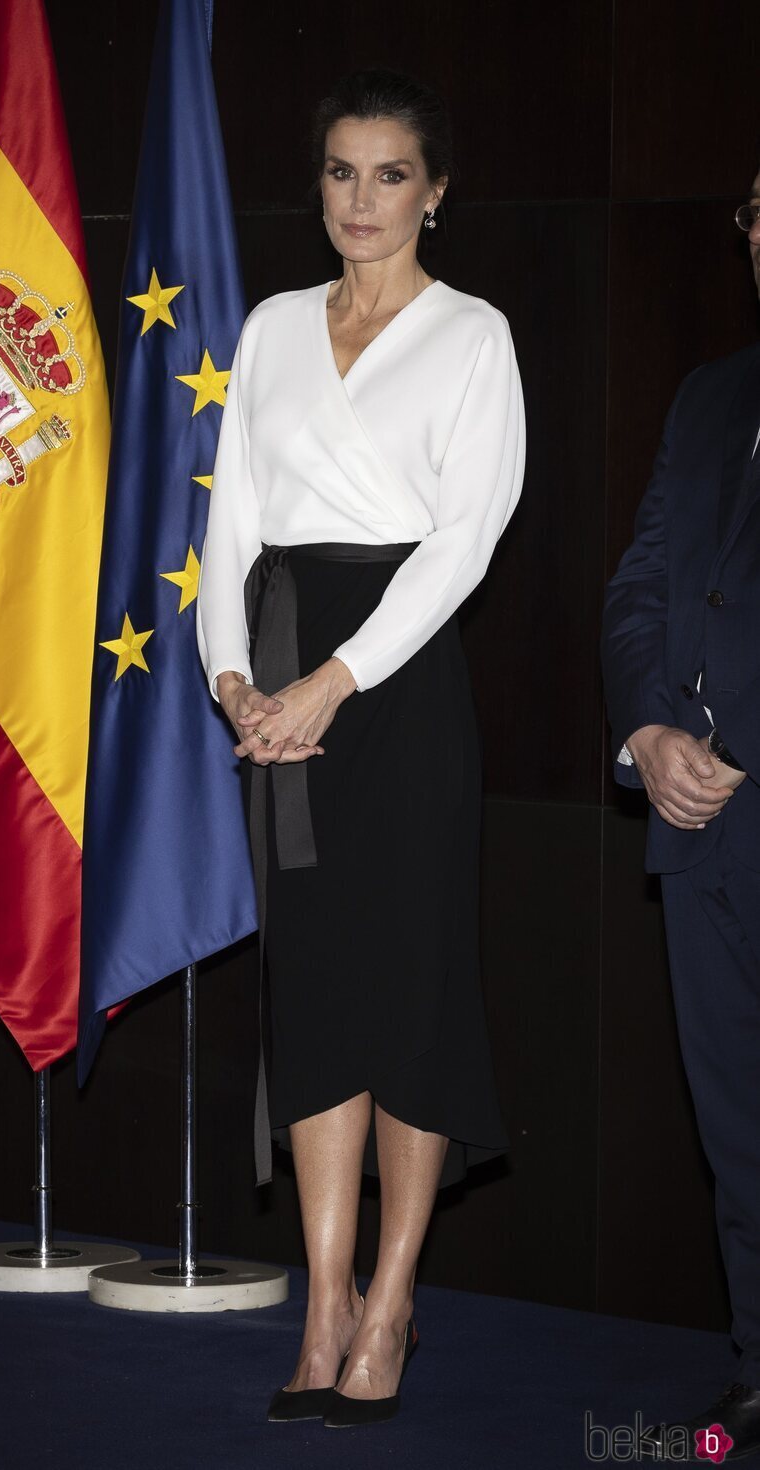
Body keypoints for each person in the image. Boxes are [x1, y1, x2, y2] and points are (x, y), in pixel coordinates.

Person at [196, 69, 524, 1428]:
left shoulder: (473, 335)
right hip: (278, 671)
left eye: (392, 175)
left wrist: (333, 680)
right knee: (317, 986)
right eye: (342, 172)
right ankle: (321, 1299)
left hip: (396, 682)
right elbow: (232, 528)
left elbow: (464, 542)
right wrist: (234, 679)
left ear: (435, 191)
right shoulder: (272, 327)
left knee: (415, 986)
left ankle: (392, 1298)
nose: (364, 200)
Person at [601, 167, 760, 1459]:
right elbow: (641, 585)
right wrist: (649, 734)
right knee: (738, 1121)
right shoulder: (710, 398)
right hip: (699, 827)